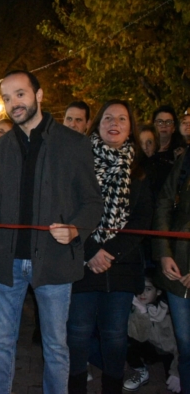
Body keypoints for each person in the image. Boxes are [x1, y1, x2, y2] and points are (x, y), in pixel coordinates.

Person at [0, 70, 103, 394]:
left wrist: (76, 229)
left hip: (55, 261)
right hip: (7, 262)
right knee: (1, 344)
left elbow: (92, 202)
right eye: (6, 98)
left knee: (56, 347)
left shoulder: (74, 144)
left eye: (20, 94)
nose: (13, 103)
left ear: (39, 94)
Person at [67, 99, 153, 394]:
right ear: (97, 124)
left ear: (131, 128)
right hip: (80, 261)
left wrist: (109, 253)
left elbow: (142, 220)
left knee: (115, 337)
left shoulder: (140, 171)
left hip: (121, 266)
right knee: (77, 335)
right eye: (107, 118)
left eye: (121, 119)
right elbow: (68, 209)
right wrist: (91, 251)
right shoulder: (78, 163)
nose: (114, 123)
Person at [152, 141, 190, 394]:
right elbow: (164, 204)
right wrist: (164, 253)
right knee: (186, 346)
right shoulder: (185, 159)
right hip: (178, 265)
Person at [122, 271, 180, 393]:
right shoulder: (136, 309)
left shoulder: (169, 312)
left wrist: (176, 372)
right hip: (150, 348)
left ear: (158, 292)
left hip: (170, 352)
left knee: (173, 383)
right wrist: (141, 313)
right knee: (125, 342)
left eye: (148, 289)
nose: (142, 293)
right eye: (139, 289)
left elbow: (180, 346)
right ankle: (141, 370)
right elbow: (139, 337)